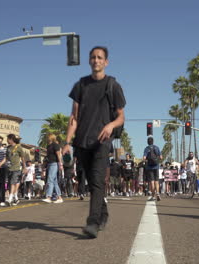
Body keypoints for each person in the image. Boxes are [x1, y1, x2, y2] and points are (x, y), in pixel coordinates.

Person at [63, 46, 126, 238]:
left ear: (106, 62)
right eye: (93, 57)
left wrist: (110, 126)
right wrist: (67, 142)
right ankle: (104, 214)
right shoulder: (80, 85)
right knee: (92, 183)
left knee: (98, 181)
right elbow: (74, 117)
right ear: (89, 61)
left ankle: (92, 222)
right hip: (82, 142)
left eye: (99, 57)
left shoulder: (112, 85)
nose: (96, 60)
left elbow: (121, 117)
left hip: (101, 142)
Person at [0, 134, 26, 206]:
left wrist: (24, 167)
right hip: (9, 168)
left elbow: (23, 158)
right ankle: (15, 198)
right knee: (11, 183)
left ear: (11, 139)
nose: (7, 140)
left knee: (13, 183)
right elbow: (6, 158)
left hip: (16, 168)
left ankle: (9, 199)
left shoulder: (19, 147)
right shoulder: (8, 148)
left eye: (7, 139)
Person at [42, 133, 64, 204]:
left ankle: (48, 197)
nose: (46, 138)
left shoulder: (55, 145)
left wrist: (60, 164)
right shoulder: (48, 146)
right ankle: (59, 197)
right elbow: (47, 156)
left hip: (54, 164)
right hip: (49, 164)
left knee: (50, 180)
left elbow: (58, 154)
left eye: (47, 136)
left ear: (51, 137)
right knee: (54, 182)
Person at [143, 137, 162, 201]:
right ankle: (158, 193)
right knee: (157, 181)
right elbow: (161, 157)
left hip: (149, 167)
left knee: (152, 182)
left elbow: (144, 158)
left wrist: (146, 161)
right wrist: (157, 159)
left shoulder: (146, 148)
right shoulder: (156, 147)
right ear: (153, 141)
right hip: (156, 166)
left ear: (147, 142)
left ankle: (153, 196)